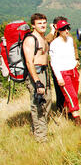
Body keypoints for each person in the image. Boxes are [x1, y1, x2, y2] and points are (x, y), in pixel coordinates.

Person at [49, 20, 81, 130]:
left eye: (67, 28)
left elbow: (71, 54)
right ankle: (77, 118)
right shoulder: (54, 43)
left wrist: (75, 63)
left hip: (73, 70)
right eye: (63, 29)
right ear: (59, 31)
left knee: (73, 93)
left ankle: (67, 112)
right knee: (71, 95)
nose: (66, 31)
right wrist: (59, 77)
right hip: (63, 72)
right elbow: (53, 62)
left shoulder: (70, 40)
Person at [23, 13, 50, 142]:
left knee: (47, 102)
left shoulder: (43, 38)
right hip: (37, 73)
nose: (43, 25)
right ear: (33, 25)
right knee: (38, 104)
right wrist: (37, 82)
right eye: (39, 23)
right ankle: (41, 138)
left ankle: (38, 129)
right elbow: (29, 62)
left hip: (45, 72)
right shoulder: (30, 39)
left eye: (44, 22)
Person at [45, 16, 79, 112]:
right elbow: (46, 41)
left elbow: (74, 47)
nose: (66, 30)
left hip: (69, 66)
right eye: (63, 27)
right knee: (59, 88)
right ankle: (61, 108)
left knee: (71, 89)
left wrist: (76, 59)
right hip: (57, 67)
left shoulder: (69, 37)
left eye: (67, 27)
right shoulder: (53, 37)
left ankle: (68, 108)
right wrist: (52, 30)